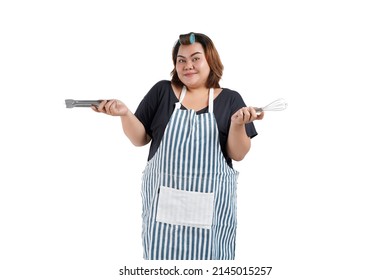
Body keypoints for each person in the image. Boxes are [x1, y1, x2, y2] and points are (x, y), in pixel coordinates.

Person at [92, 32, 264, 260]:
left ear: (210, 60)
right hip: (162, 215)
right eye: (181, 60)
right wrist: (124, 114)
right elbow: (140, 139)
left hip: (211, 216)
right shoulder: (162, 91)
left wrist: (237, 124)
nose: (187, 66)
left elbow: (238, 154)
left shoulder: (231, 100)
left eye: (195, 58)